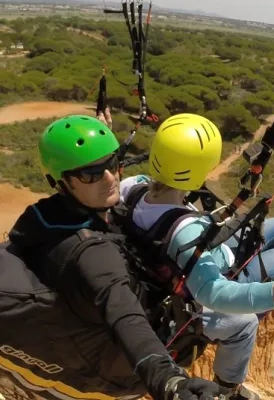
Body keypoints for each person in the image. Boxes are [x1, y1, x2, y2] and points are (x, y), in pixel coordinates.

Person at [5, 113, 228, 400]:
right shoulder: (92, 255)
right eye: (91, 173)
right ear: (60, 182)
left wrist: (93, 148)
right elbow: (125, 313)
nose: (110, 178)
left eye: (111, 163)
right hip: (111, 378)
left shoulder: (41, 216)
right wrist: (169, 381)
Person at [119, 113, 274, 400]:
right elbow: (213, 293)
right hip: (200, 282)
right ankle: (230, 389)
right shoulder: (186, 232)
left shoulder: (132, 186)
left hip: (172, 259)